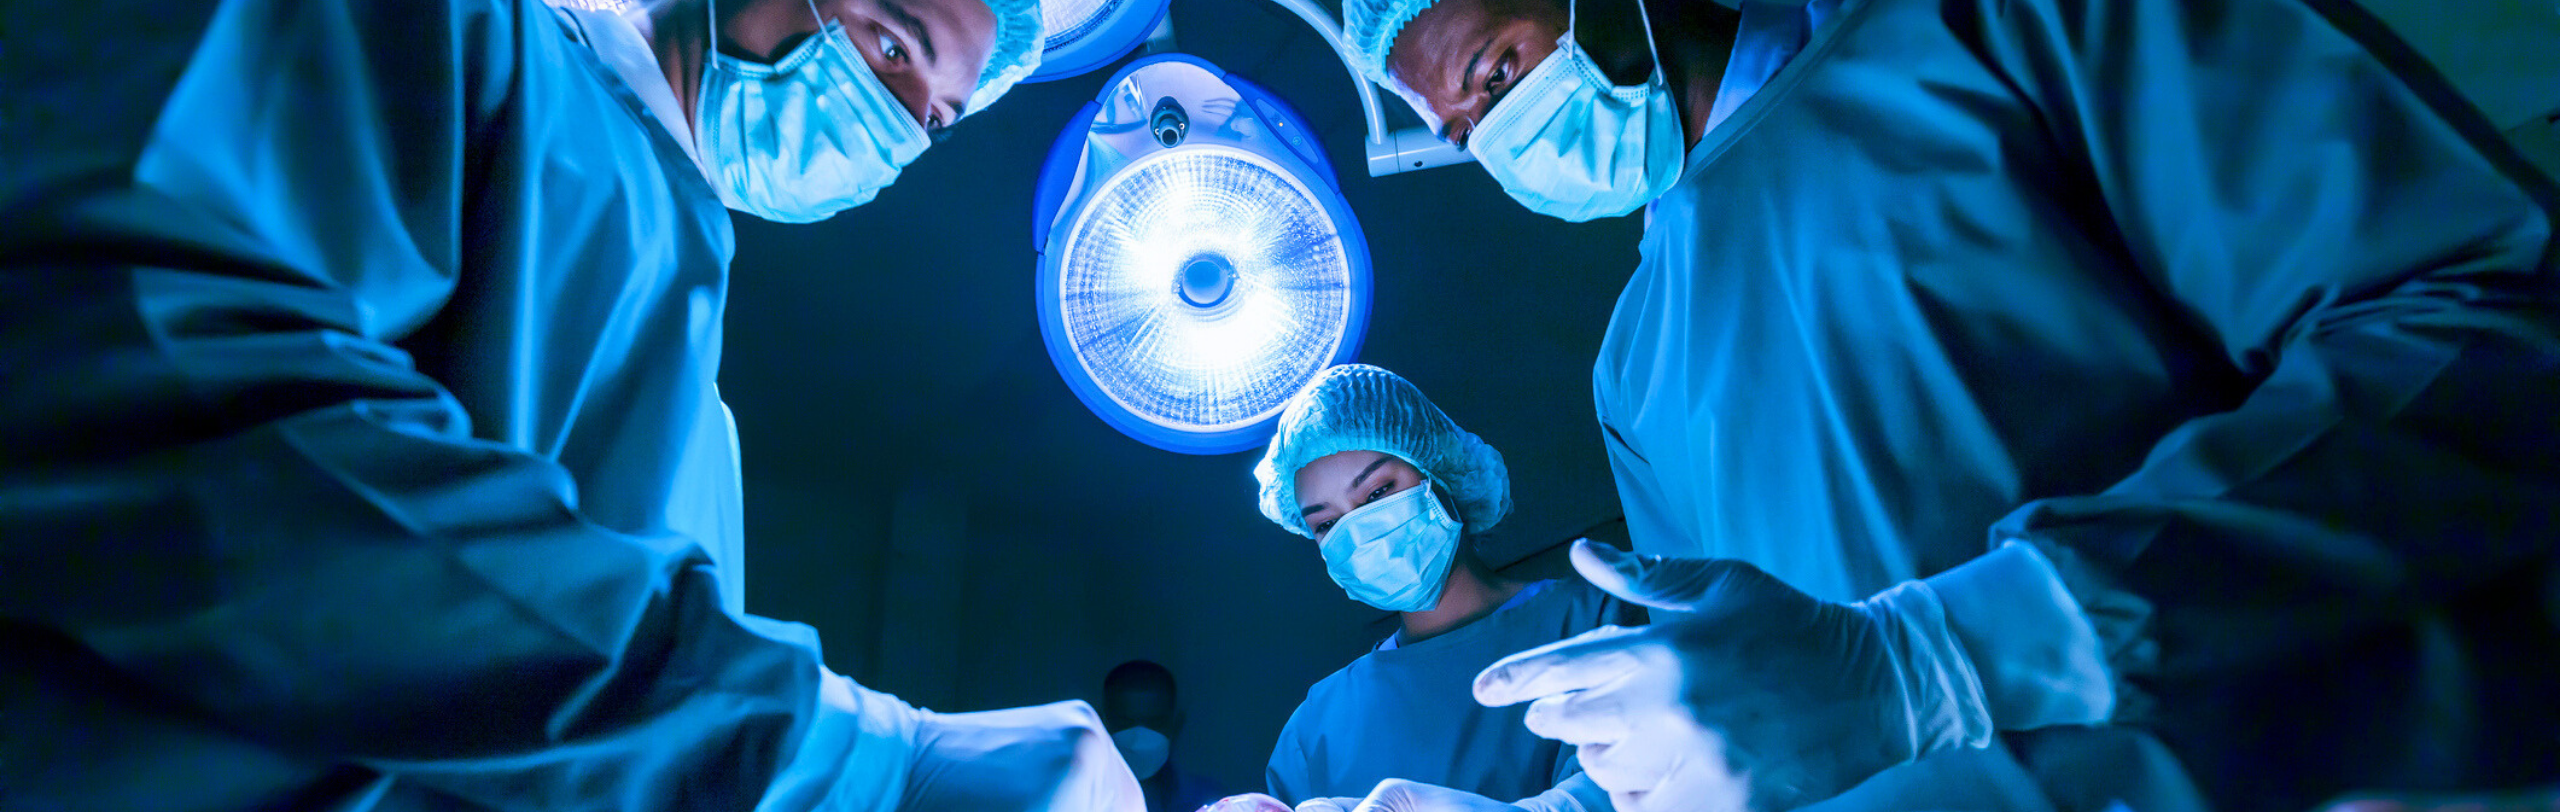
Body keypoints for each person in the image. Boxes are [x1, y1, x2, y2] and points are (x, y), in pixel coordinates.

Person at [1330, 0, 2560, 809]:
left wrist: (1953, 653)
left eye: (1497, 67)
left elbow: (2485, 324)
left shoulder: (1979, 32)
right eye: (1463, 125)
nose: (1498, 137)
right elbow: (1743, 690)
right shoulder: (1637, 359)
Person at [0, 0, 1149, 810]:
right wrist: (854, 763)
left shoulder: (700, 420)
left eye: (934, 117)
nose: (896, 119)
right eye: (893, 40)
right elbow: (188, 417)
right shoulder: (451, 39)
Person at [1251, 365, 1645, 812]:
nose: (1357, 530)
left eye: (1378, 493)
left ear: (1441, 474)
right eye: (1326, 523)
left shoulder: (1594, 620)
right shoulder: (1316, 729)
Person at [1102, 660, 1229, 812]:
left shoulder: (1209, 801)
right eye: (1125, 723)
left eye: (1154, 723)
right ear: (1102, 723)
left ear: (1176, 725)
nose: (1139, 738)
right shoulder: (1079, 795)